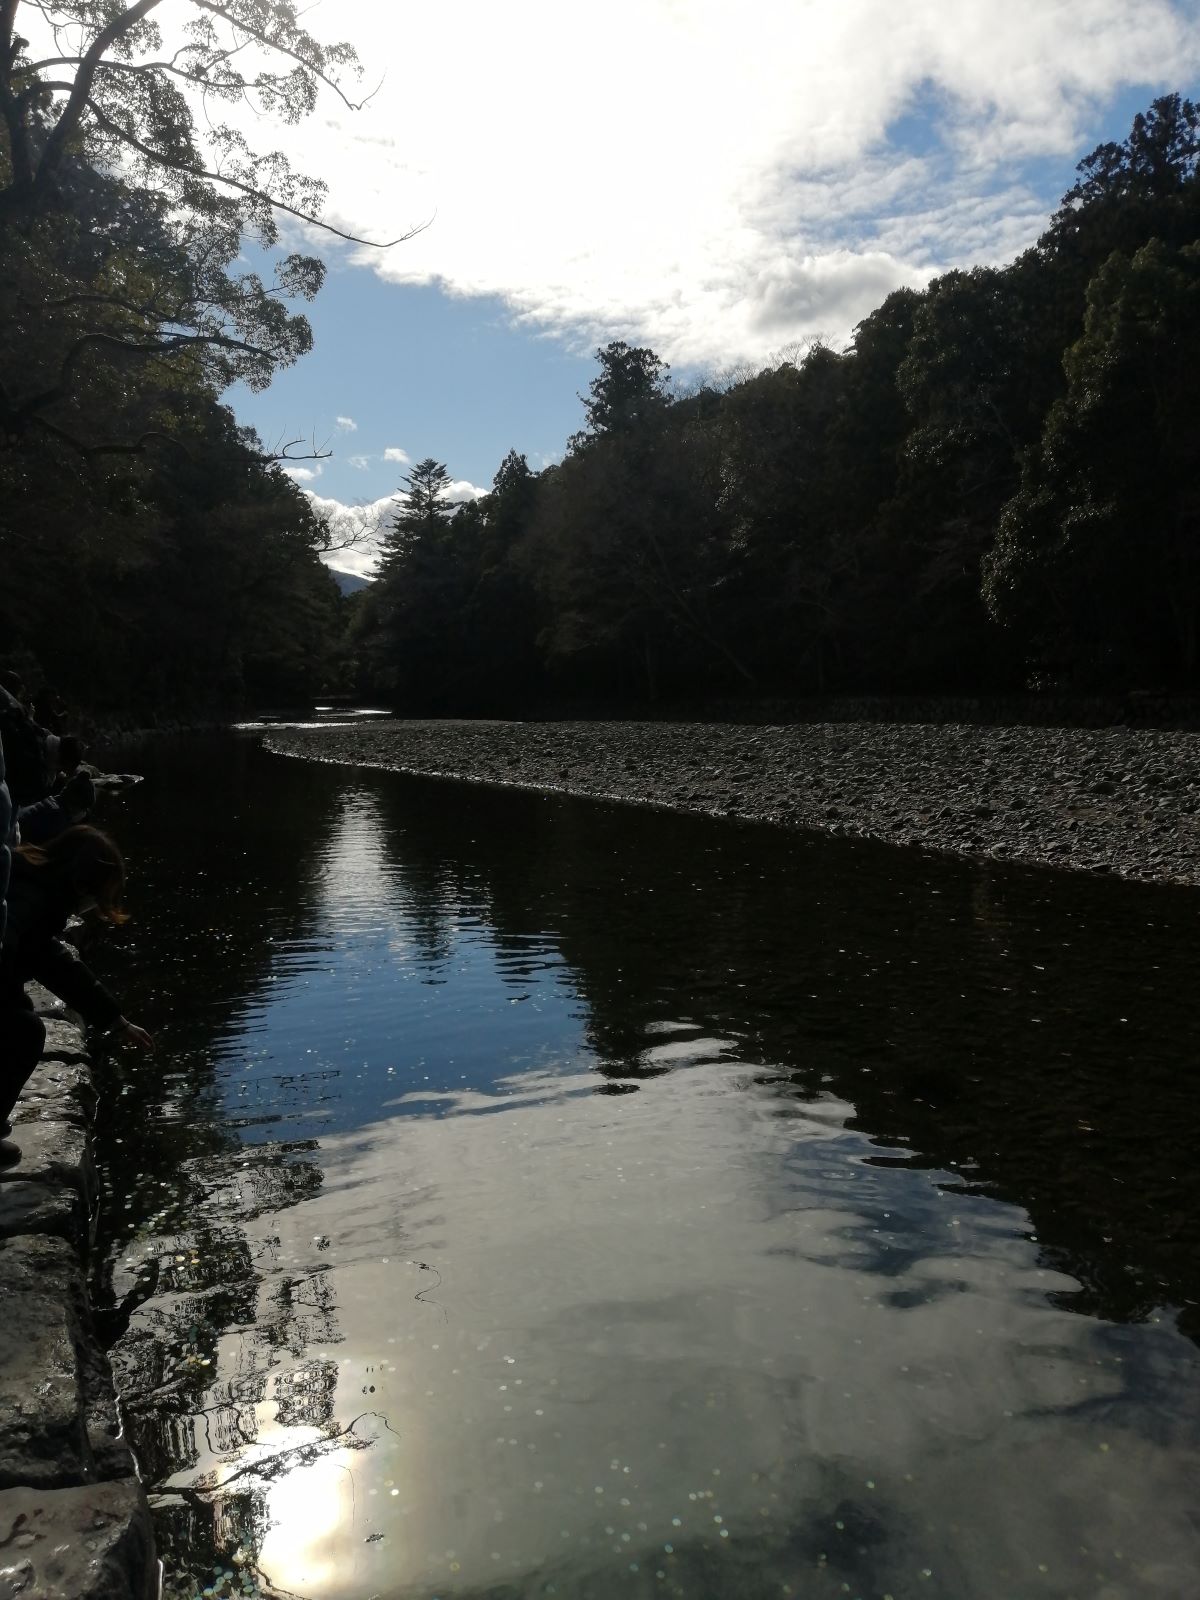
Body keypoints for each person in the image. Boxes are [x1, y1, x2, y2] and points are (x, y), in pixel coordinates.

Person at [0, 825, 153, 1167]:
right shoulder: (31, 900)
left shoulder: (30, 884)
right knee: (24, 1032)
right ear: (82, 885)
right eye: (98, 897)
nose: (92, 907)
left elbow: (55, 963)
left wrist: (114, 1019)